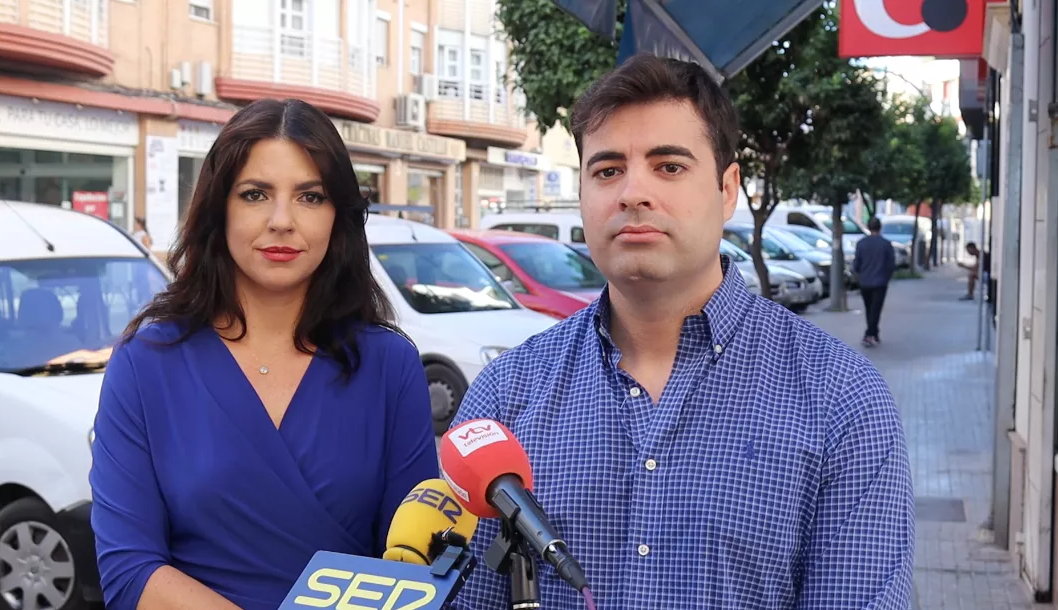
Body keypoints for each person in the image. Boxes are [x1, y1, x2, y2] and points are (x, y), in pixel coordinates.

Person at [447, 53, 913, 609]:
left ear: (727, 188)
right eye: (607, 170)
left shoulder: (842, 401)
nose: (632, 193)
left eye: (669, 166)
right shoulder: (506, 396)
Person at [89, 98, 438, 610]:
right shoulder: (145, 364)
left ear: (338, 216)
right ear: (218, 208)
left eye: (310, 197)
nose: (281, 220)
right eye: (255, 194)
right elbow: (128, 570)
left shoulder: (390, 367)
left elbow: (412, 568)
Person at [852, 216, 897, 346]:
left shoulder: (861, 243)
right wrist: (887, 277)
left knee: (869, 308)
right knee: (876, 309)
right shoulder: (886, 244)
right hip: (880, 282)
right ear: (880, 227)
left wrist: (859, 276)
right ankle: (869, 334)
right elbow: (891, 264)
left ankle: (874, 333)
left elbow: (856, 264)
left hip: (865, 282)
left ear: (868, 227)